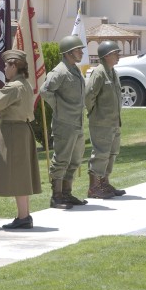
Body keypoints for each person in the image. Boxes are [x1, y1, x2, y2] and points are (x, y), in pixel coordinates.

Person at [0, 50, 42, 229]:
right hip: (21, 130)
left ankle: (23, 217)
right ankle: (25, 215)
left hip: (14, 132)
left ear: (14, 66)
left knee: (17, 174)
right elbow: (7, 101)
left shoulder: (14, 86)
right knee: (21, 173)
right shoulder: (22, 84)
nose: (5, 68)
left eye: (7, 65)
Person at [41, 35, 88, 210]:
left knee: (75, 159)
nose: (81, 52)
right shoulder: (60, 71)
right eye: (78, 50)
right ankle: (57, 196)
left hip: (77, 122)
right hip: (65, 123)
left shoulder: (74, 69)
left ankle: (67, 193)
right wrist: (60, 108)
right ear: (68, 53)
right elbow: (45, 91)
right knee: (61, 159)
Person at [85, 41, 126, 198]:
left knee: (111, 153)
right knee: (101, 154)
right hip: (101, 122)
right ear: (107, 56)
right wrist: (94, 112)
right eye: (116, 53)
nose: (118, 56)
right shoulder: (99, 73)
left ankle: (104, 183)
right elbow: (89, 96)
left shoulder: (112, 71)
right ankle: (94, 187)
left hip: (114, 122)